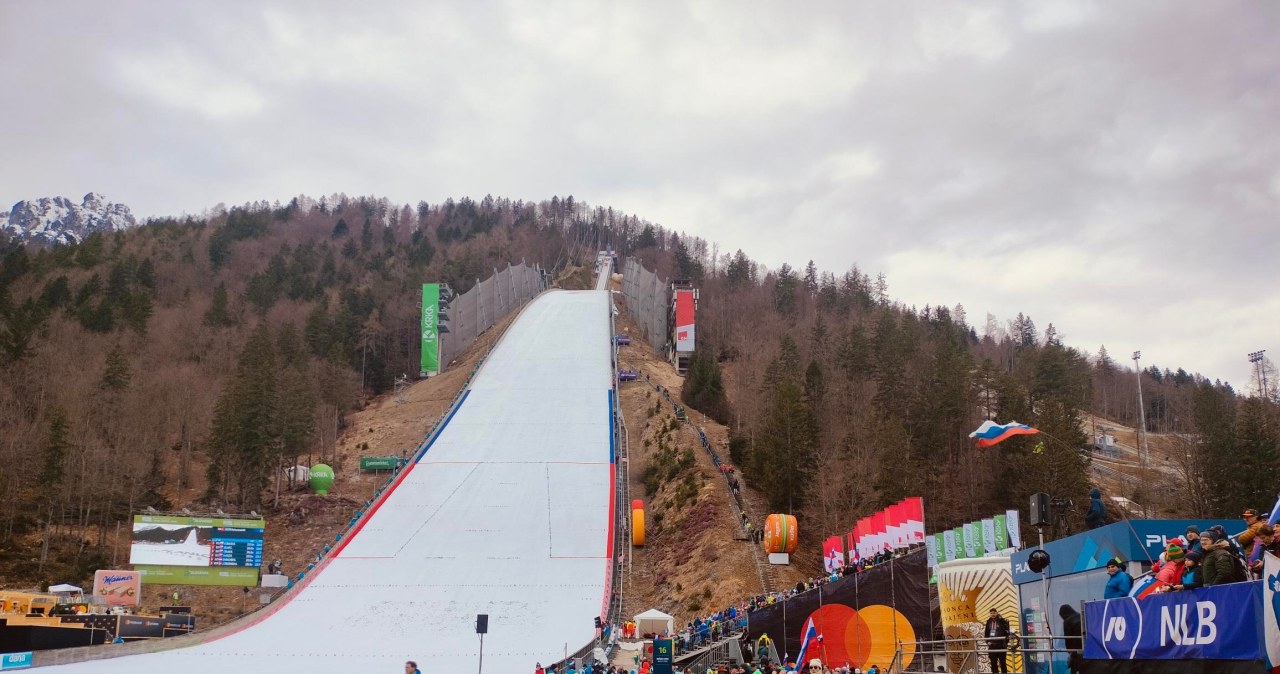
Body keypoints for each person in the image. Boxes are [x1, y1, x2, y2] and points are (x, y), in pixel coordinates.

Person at [983, 608, 1011, 673]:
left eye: (994, 613)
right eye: (991, 613)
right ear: (989, 614)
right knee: (993, 663)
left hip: (1001, 645)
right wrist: (987, 641)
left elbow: (1007, 632)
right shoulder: (988, 621)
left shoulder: (1002, 621)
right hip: (992, 645)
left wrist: (1005, 642)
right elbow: (986, 633)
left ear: (997, 613)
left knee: (1003, 663)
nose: (993, 614)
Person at [1060, 605, 1082, 674]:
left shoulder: (1067, 621)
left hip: (1075, 648)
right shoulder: (1080, 616)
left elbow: (1067, 638)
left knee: (1074, 667)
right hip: (1086, 647)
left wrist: (1069, 651)